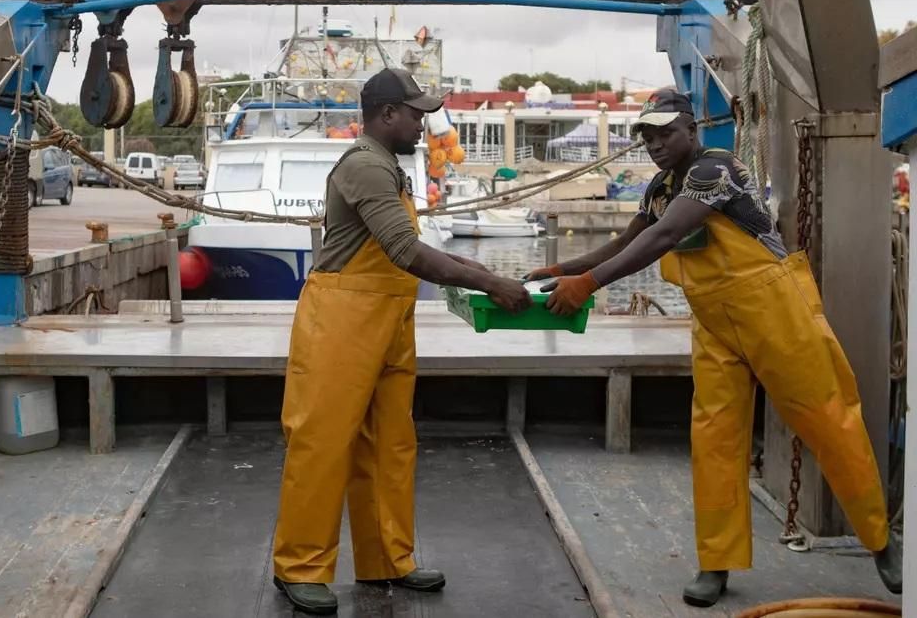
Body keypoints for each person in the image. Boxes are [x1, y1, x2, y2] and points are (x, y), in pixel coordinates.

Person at [527, 88, 902, 608]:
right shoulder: (660, 188)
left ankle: (881, 541)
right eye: (648, 136)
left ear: (691, 130)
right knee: (715, 440)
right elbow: (631, 240)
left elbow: (664, 239)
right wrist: (564, 269)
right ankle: (716, 562)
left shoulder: (714, 169)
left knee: (829, 419)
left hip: (773, 309)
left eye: (665, 133)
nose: (655, 144)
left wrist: (588, 284)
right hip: (714, 323)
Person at [272, 68, 532, 615]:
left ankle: (389, 558)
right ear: (386, 114)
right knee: (321, 444)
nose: (423, 123)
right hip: (342, 320)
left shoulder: (390, 165)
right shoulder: (366, 164)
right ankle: (299, 567)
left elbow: (409, 242)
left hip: (387, 320)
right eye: (415, 113)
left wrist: (476, 267)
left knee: (390, 442)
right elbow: (405, 251)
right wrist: (491, 283)